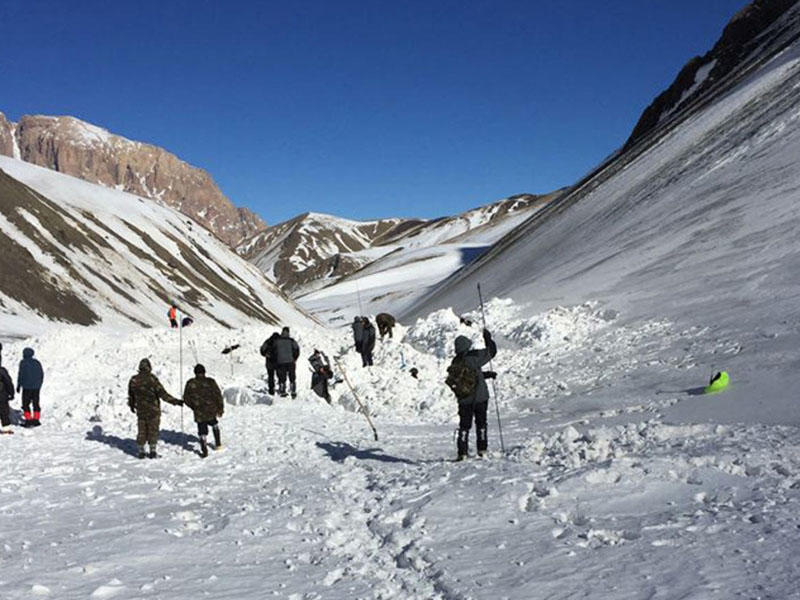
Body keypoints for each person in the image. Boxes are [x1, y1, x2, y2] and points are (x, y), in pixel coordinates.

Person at [447, 329, 497, 460]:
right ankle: (482, 450)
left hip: (464, 400)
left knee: (464, 426)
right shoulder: (473, 357)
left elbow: (469, 376)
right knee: (481, 424)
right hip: (480, 398)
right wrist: (488, 338)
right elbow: (492, 352)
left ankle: (462, 453)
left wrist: (486, 375)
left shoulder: (455, 362)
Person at [128, 358, 182, 459]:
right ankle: (152, 451)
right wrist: (176, 402)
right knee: (153, 430)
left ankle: (141, 451)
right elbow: (163, 394)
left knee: (142, 430)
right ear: (149, 367)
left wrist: (131, 406)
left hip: (141, 410)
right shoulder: (152, 379)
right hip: (153, 411)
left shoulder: (133, 380)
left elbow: (131, 395)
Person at [182, 364, 224, 458]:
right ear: (204, 372)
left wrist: (193, 406)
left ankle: (204, 451)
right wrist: (220, 408)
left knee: (202, 431)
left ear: (195, 373)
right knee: (214, 424)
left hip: (199, 412)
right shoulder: (211, 381)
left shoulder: (190, 383)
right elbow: (218, 395)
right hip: (211, 410)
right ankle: (218, 443)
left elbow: (186, 398)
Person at [17, 347, 44, 427]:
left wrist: (19, 385)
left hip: (26, 387)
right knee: (36, 402)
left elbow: (21, 375)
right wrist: (39, 384)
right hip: (36, 387)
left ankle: (28, 420)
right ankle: (36, 419)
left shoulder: (23, 362)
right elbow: (41, 374)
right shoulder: (37, 362)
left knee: (25, 403)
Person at [273, 327, 300, 398]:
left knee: (282, 377)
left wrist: (276, 359)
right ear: (288, 332)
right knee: (292, 376)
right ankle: (293, 390)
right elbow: (297, 350)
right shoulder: (291, 341)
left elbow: (274, 351)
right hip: (290, 361)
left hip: (280, 362)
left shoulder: (277, 341)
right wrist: (295, 358)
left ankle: (282, 391)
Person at [259, 331, 280, 395]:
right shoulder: (281, 342)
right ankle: (282, 389)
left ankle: (271, 390)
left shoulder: (268, 341)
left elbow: (262, 350)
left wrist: (265, 354)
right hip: (279, 363)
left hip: (269, 363)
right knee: (280, 376)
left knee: (271, 376)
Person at [0, 361, 14, 434]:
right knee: (4, 411)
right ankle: (6, 428)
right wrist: (11, 393)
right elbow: (8, 382)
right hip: (2, 395)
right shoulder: (2, 370)